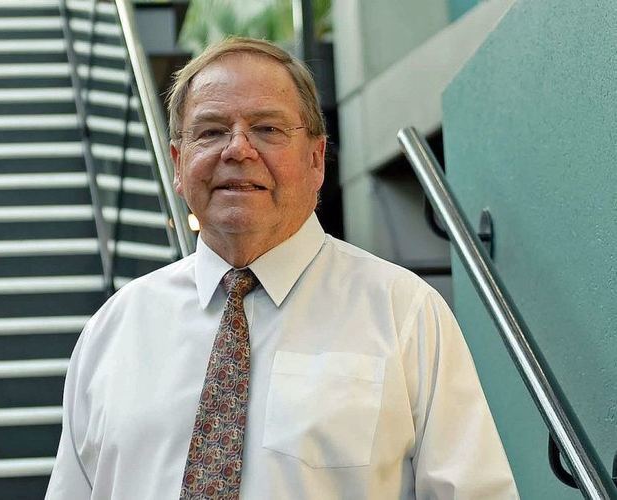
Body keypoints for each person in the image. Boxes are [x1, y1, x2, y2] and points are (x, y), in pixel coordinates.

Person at [46, 37, 518, 499]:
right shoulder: (113, 330)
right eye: (210, 131)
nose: (238, 150)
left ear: (316, 159)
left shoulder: (405, 313)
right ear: (177, 161)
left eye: (267, 129)